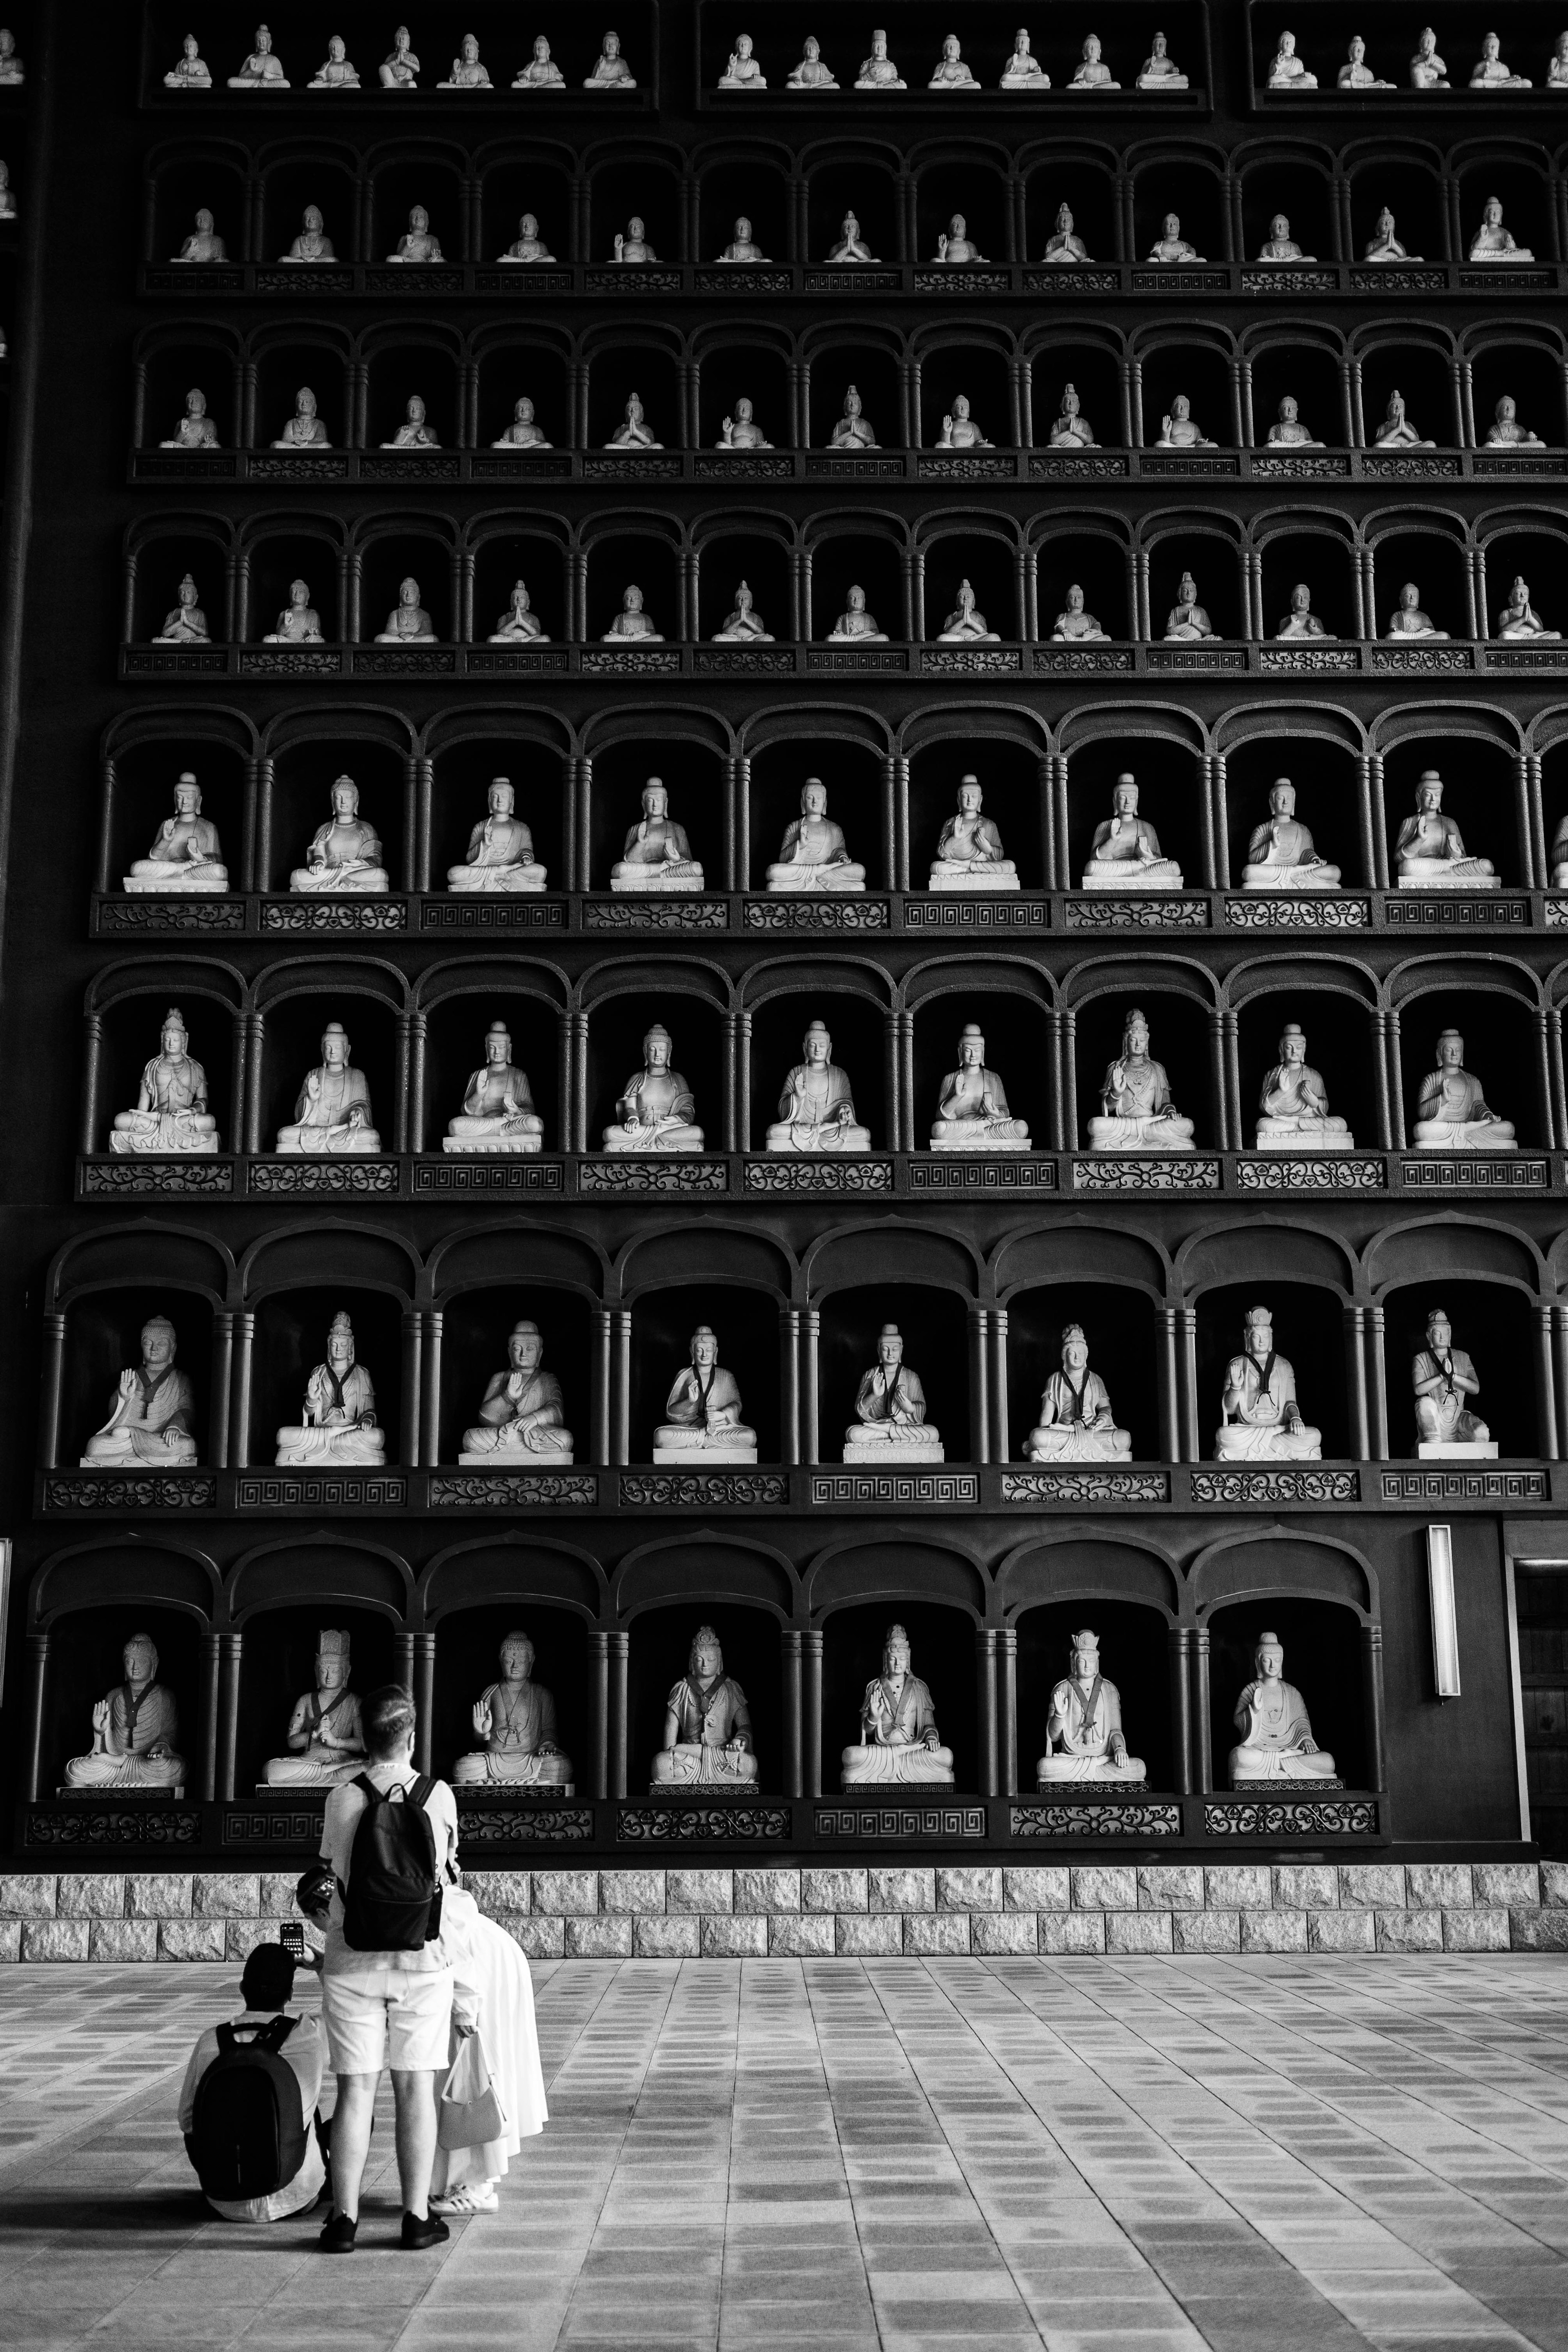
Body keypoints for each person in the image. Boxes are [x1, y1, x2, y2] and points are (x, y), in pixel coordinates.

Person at [310, 1685, 473, 2252]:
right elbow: (447, 1879)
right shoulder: (439, 1796)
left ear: (367, 1737)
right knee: (414, 2089)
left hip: (352, 1958)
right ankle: (413, 2216)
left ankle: (345, 2220)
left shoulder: (341, 1798)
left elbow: (330, 1873)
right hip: (421, 1960)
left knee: (354, 2093)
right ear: (409, 1736)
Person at [178, 1939, 327, 2223]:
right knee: (346, 2115)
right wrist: (321, 1967)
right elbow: (343, 2013)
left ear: (242, 1989)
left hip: (224, 2201)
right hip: (296, 2198)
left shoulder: (211, 2040)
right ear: (291, 1994)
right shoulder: (308, 2035)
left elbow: (187, 2122)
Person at [429, 1881, 548, 2215]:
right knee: (473, 2068)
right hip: (476, 1952)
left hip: (470, 1960)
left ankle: (474, 2183)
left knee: (469, 2072)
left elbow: (448, 1922)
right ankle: (465, 2180)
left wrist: (465, 2005)